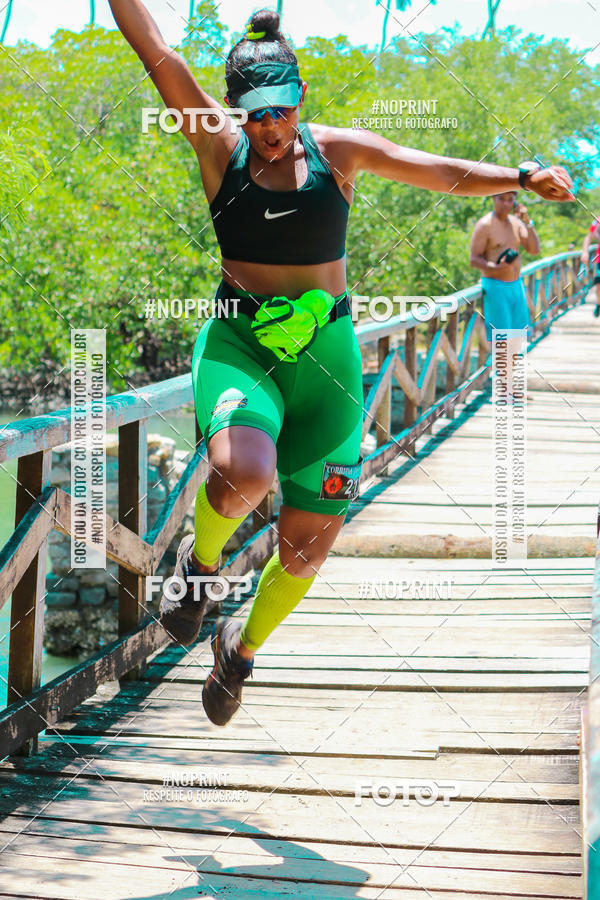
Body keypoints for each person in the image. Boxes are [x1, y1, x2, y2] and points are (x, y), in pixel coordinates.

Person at [108, 2, 574, 727]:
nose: (270, 126)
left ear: (299, 97)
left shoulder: (339, 153)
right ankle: (199, 572)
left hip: (328, 359)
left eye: (282, 108)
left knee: (310, 540)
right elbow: (153, 45)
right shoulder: (215, 145)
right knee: (246, 471)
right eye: (255, 113)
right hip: (243, 346)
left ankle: (242, 645)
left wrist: (522, 174)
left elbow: (438, 172)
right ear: (235, 109)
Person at [469, 191, 541, 398]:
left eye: (510, 199)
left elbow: (534, 249)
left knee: (517, 337)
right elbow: (474, 259)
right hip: (495, 286)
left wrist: (528, 222)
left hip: (515, 286)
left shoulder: (516, 223)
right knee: (502, 338)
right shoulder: (485, 225)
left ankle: (511, 387)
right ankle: (504, 388)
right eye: (502, 199)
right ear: (493, 199)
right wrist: (495, 267)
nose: (506, 204)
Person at [580, 218, 600, 317]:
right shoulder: (598, 220)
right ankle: (599, 304)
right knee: (599, 286)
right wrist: (585, 252)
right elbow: (589, 237)